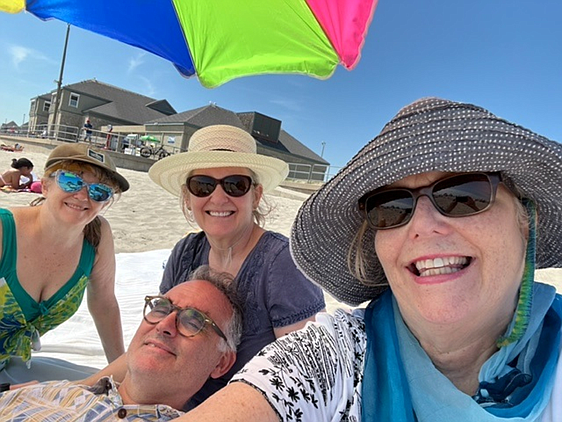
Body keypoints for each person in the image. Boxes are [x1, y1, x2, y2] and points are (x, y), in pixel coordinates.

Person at [179, 97, 562, 422]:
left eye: (464, 194)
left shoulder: (276, 262)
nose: (424, 226)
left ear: (526, 220)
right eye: (391, 207)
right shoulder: (336, 357)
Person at [87, 124, 325, 409]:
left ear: (256, 195)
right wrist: (77, 389)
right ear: (188, 197)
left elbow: (306, 382)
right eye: (203, 185)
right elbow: (155, 343)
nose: (219, 197)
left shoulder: (283, 264)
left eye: (236, 184)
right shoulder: (186, 253)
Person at [0, 266, 244, 421]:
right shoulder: (53, 392)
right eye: (161, 308)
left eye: (194, 321)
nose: (164, 325)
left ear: (221, 363)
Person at [0, 143, 130, 384]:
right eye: (71, 181)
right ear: (46, 186)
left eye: (99, 191)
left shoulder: (98, 236)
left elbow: (104, 304)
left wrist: (121, 374)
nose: (83, 196)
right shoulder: (3, 232)